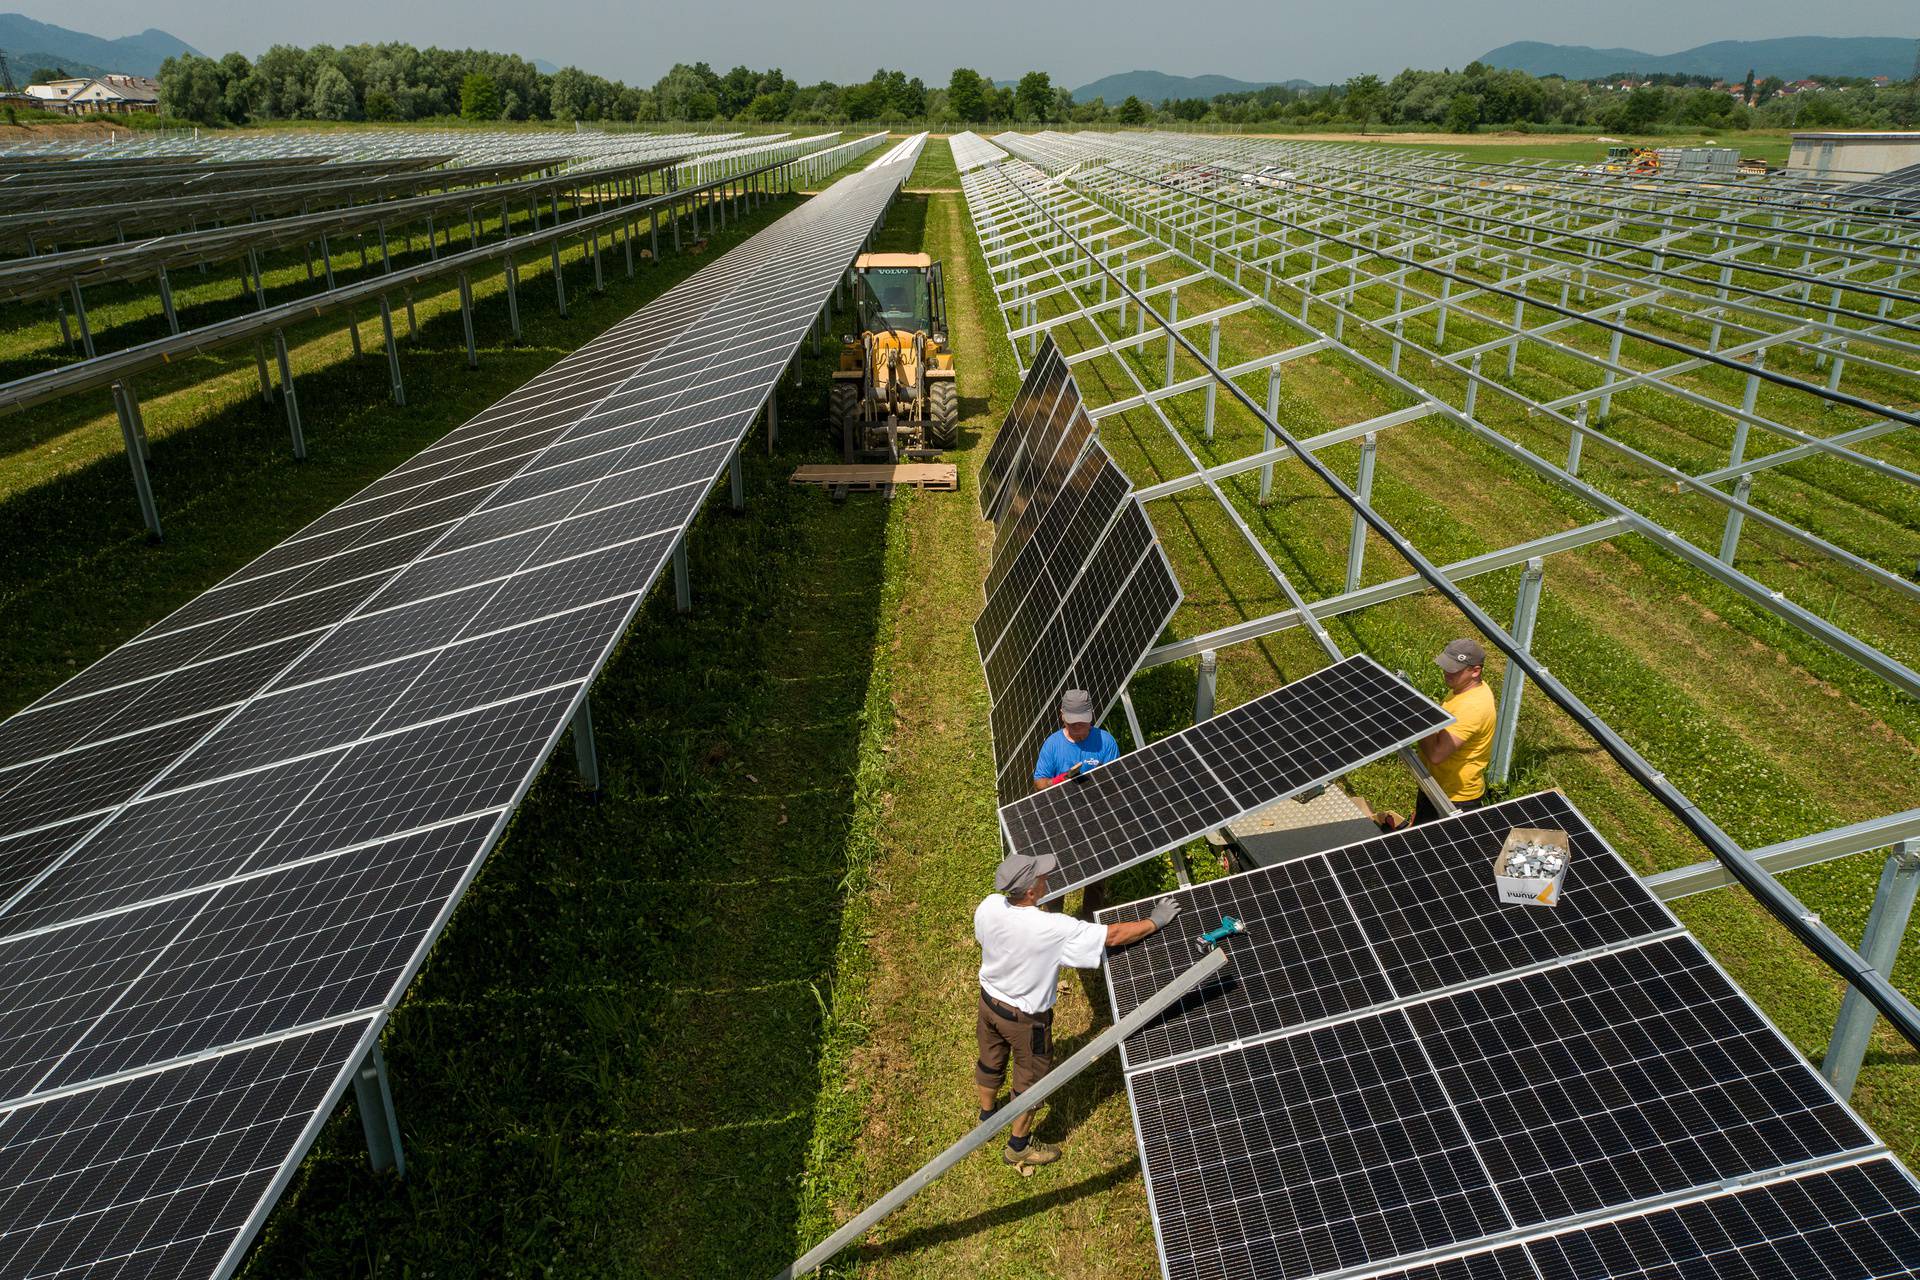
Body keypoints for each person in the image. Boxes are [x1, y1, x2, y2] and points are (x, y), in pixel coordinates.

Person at [974, 851, 1180, 1168]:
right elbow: (1112, 936)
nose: (1047, 880)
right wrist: (1154, 921)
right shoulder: (1052, 928)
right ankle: (1018, 1146)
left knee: (990, 1061)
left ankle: (986, 1118)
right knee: (1030, 1083)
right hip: (1025, 1020)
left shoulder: (988, 906)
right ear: (1030, 891)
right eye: (1041, 877)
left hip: (988, 1004)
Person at [1412, 637, 1497, 825]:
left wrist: (1417, 720)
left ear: (1475, 671)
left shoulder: (1472, 707)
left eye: (1454, 670)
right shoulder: (1463, 688)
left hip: (1455, 799)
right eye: (1445, 666)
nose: (1446, 673)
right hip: (1438, 786)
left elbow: (1436, 754)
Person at [1032, 689, 1120, 791]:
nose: (1077, 725)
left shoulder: (1106, 742)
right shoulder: (1052, 744)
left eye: (1081, 721)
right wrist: (1061, 780)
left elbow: (1115, 781)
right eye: (1072, 721)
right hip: (1063, 803)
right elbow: (1039, 784)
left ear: (1090, 715)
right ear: (1062, 715)